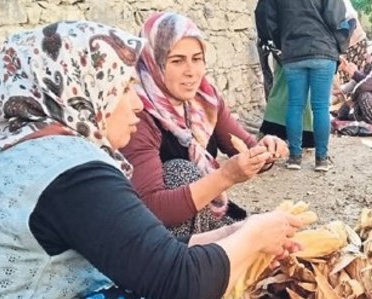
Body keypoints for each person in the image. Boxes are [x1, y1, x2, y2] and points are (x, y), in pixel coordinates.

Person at [0, 21, 302, 299]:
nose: (138, 101)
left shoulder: (21, 156)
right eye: (123, 87)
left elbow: (138, 248)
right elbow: (177, 279)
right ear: (80, 90)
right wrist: (257, 236)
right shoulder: (69, 168)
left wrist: (238, 232)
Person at [121, 12, 288, 237]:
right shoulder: (137, 114)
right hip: (155, 237)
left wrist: (266, 150)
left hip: (204, 216)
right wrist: (225, 177)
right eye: (177, 60)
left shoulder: (204, 100)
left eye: (197, 58)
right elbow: (151, 207)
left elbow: (246, 149)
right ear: (153, 61)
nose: (191, 72)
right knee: (180, 172)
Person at [258, 0, 351, 172]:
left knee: (295, 105)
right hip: (323, 50)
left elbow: (267, 17)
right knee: (321, 107)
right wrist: (339, 45)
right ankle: (321, 159)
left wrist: (282, 42)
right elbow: (336, 17)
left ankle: (294, 157)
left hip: (292, 52)